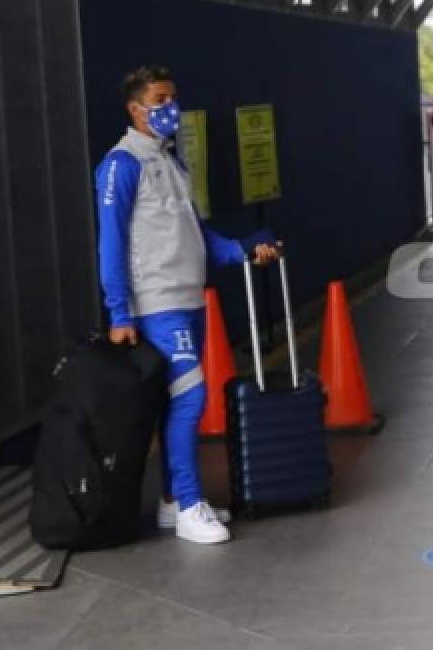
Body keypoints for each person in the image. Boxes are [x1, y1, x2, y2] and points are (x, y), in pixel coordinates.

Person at [95, 65, 281, 545]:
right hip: (157, 304)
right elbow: (111, 245)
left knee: (175, 401)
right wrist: (119, 313)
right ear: (135, 109)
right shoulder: (121, 165)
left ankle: (174, 501)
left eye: (173, 96)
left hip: (189, 296)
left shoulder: (174, 163)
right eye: (159, 98)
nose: (169, 107)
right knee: (191, 398)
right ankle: (190, 505)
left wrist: (243, 251)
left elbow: (198, 236)